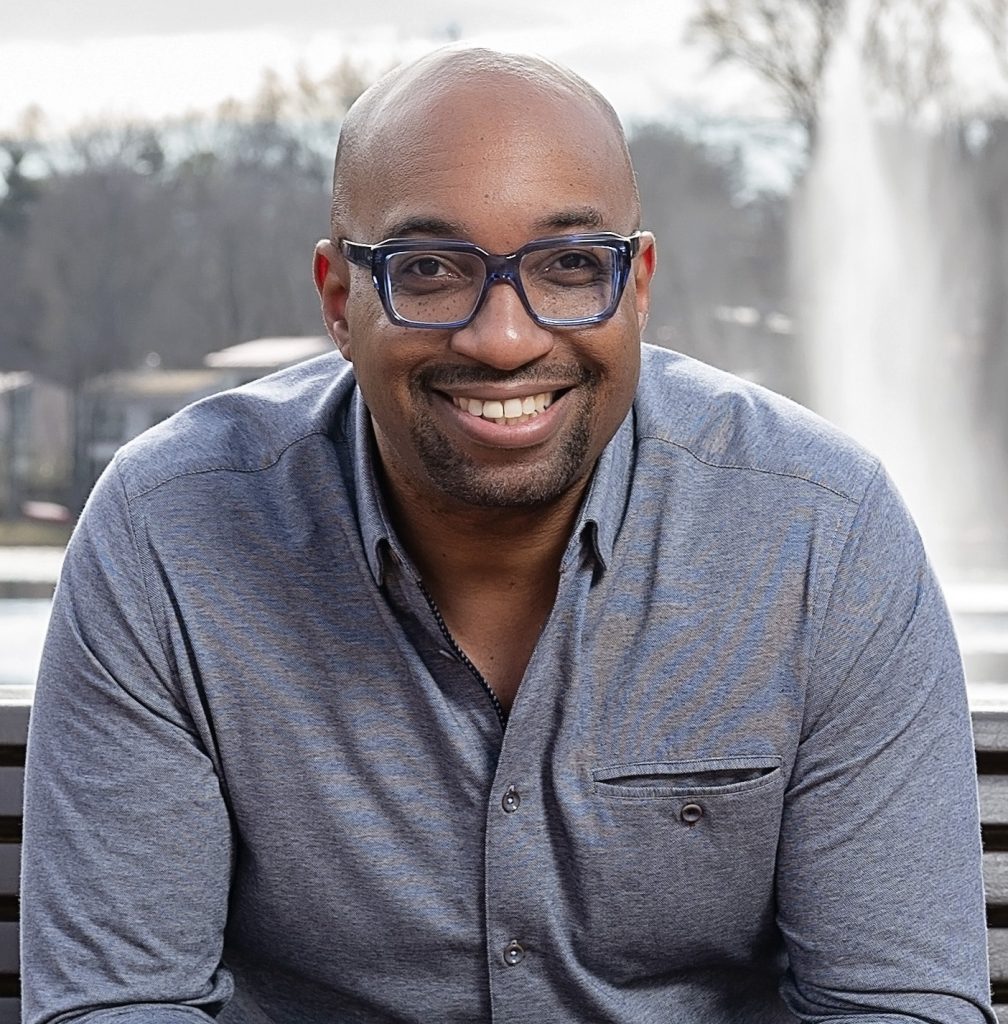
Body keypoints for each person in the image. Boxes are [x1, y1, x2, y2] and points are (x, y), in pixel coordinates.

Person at [21, 45, 993, 1024]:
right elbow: (121, 1004)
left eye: (570, 266)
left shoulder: (822, 533)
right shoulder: (169, 536)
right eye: (430, 269)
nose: (503, 338)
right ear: (337, 302)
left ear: (640, 286)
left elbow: (900, 1005)